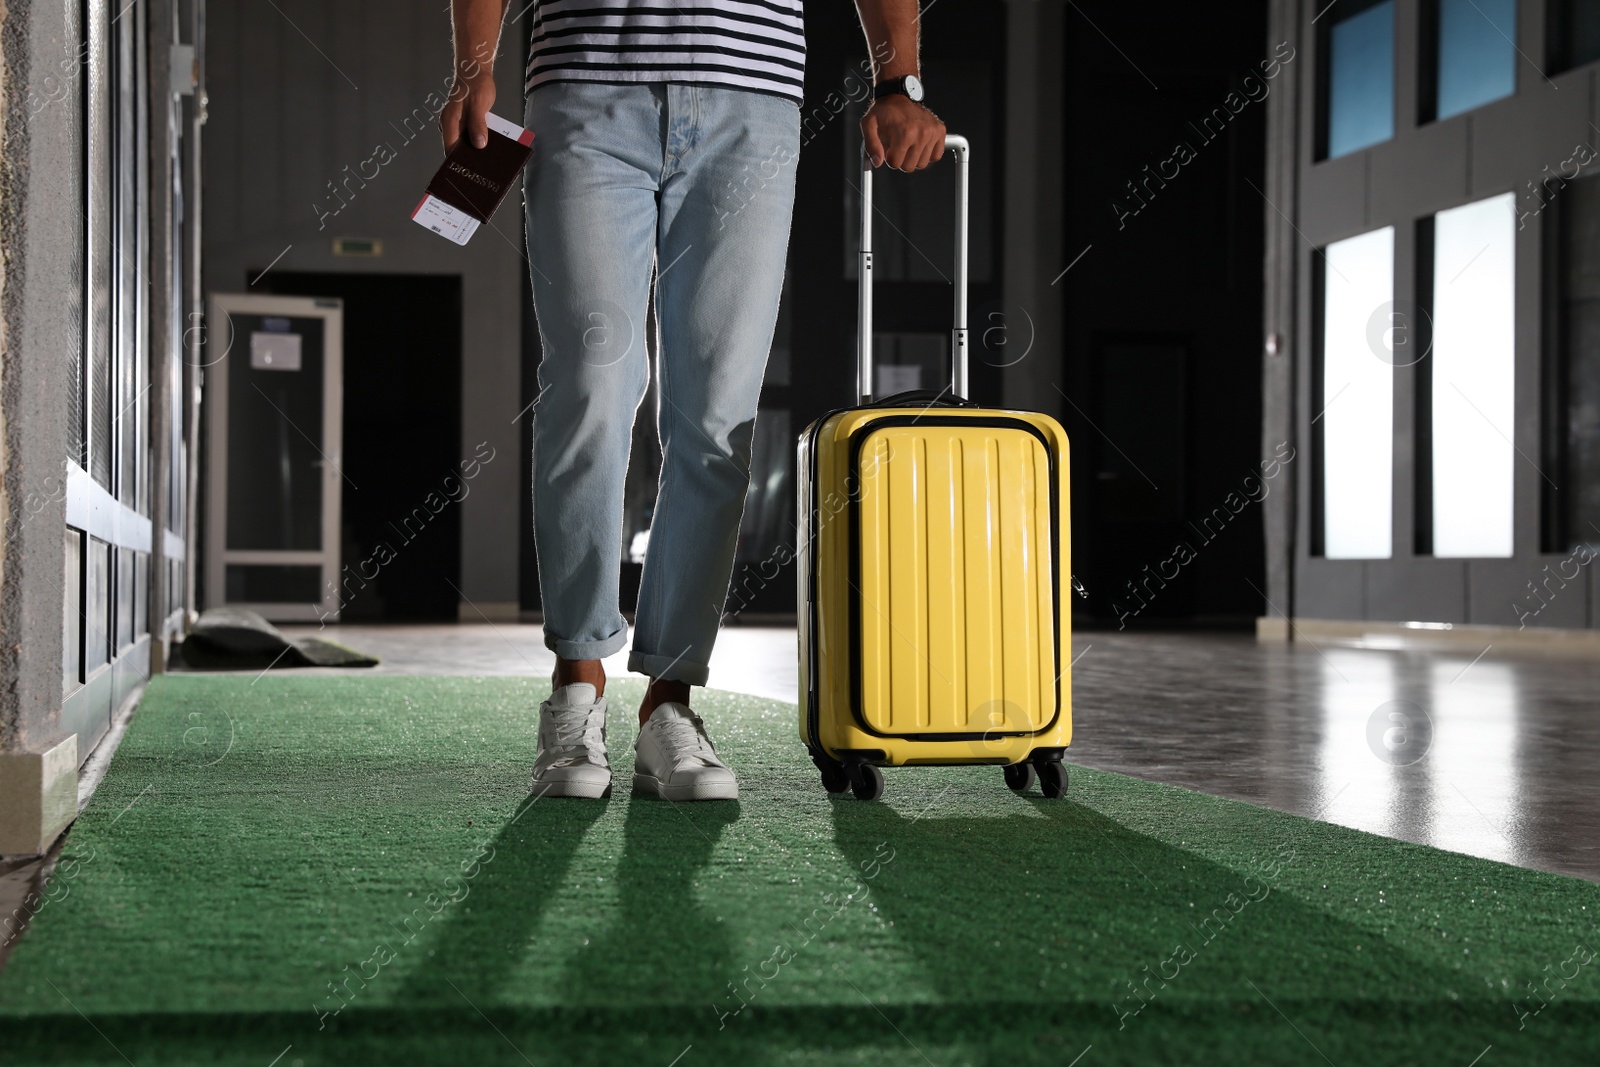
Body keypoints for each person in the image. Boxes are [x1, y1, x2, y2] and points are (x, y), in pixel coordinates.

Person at [440, 0, 946, 801]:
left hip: (751, 99)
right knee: (590, 382)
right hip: (584, 85)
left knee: (717, 415)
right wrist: (474, 67)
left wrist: (899, 78)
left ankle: (669, 703)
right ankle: (578, 687)